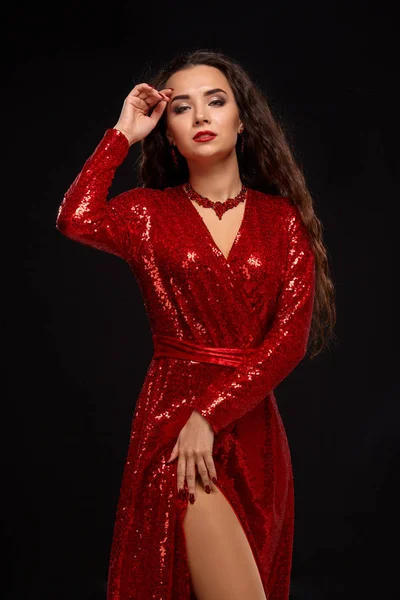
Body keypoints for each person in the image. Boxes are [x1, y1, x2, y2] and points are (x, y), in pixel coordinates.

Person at [56, 49, 336, 600]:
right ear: (169, 132)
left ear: (241, 118)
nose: (201, 116)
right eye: (182, 108)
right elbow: (76, 217)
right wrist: (122, 133)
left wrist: (210, 415)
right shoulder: (147, 213)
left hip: (252, 428)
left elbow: (288, 343)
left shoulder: (282, 222)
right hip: (174, 421)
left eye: (216, 101)